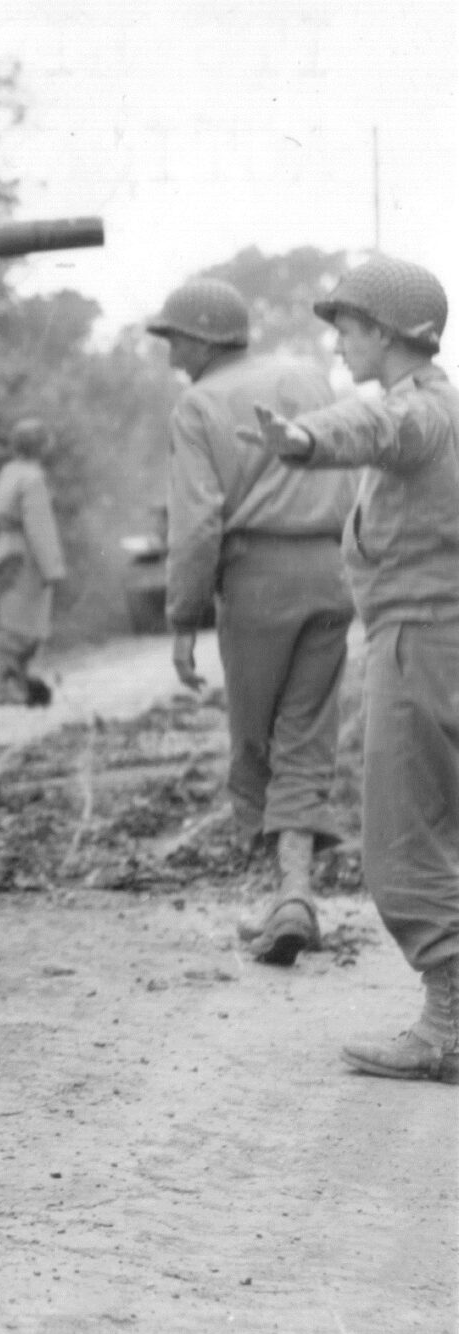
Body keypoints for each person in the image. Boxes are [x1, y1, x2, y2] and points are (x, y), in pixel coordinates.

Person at [243, 255, 458, 1082]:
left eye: (349, 327)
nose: (339, 344)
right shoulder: (438, 407)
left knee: (404, 838)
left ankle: (446, 1027)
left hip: (421, 638)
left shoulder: (420, 410)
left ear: (389, 333)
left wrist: (302, 440)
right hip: (433, 634)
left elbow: (378, 428)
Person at [145, 276, 353, 965]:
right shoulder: (307, 373)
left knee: (256, 741)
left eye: (174, 336)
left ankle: (287, 896)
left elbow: (198, 522)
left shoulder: (198, 403)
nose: (170, 350)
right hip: (330, 570)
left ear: (204, 337)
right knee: (306, 735)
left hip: (258, 581)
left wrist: (184, 616)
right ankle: (294, 893)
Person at [0, 417, 67, 705]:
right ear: (39, 446)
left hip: (4, 550)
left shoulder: (9, 471)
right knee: (24, 626)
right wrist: (52, 568)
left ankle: (12, 685)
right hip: (26, 556)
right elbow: (39, 527)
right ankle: (5, 686)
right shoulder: (33, 478)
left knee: (10, 620)